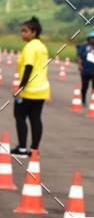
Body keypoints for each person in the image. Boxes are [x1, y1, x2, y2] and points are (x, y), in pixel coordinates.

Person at [12, 16, 50, 156]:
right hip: (42, 88)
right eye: (22, 31)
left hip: (29, 89)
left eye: (25, 31)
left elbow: (28, 67)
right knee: (35, 118)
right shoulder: (42, 46)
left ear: (34, 32)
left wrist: (21, 87)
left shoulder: (29, 47)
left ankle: (22, 148)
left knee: (19, 116)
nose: (22, 34)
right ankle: (34, 149)